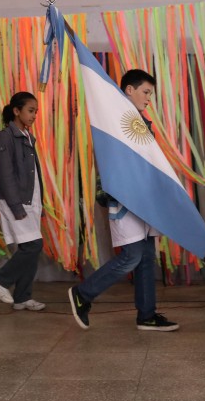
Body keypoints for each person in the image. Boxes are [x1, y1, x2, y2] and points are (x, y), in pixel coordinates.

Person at [68, 69, 178, 332]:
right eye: (146, 92)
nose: (149, 98)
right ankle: (83, 293)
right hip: (126, 199)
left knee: (146, 256)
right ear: (129, 90)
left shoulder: (142, 123)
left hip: (146, 201)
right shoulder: (114, 120)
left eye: (150, 93)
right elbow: (114, 162)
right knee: (131, 256)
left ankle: (146, 315)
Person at [0, 92, 46, 311]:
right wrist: (16, 206)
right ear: (16, 111)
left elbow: (33, 174)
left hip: (31, 200)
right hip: (17, 202)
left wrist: (39, 203)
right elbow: (4, 175)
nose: (34, 115)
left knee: (30, 249)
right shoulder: (6, 137)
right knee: (33, 246)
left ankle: (22, 297)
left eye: (35, 112)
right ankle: (0, 279)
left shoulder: (28, 136)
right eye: (30, 111)